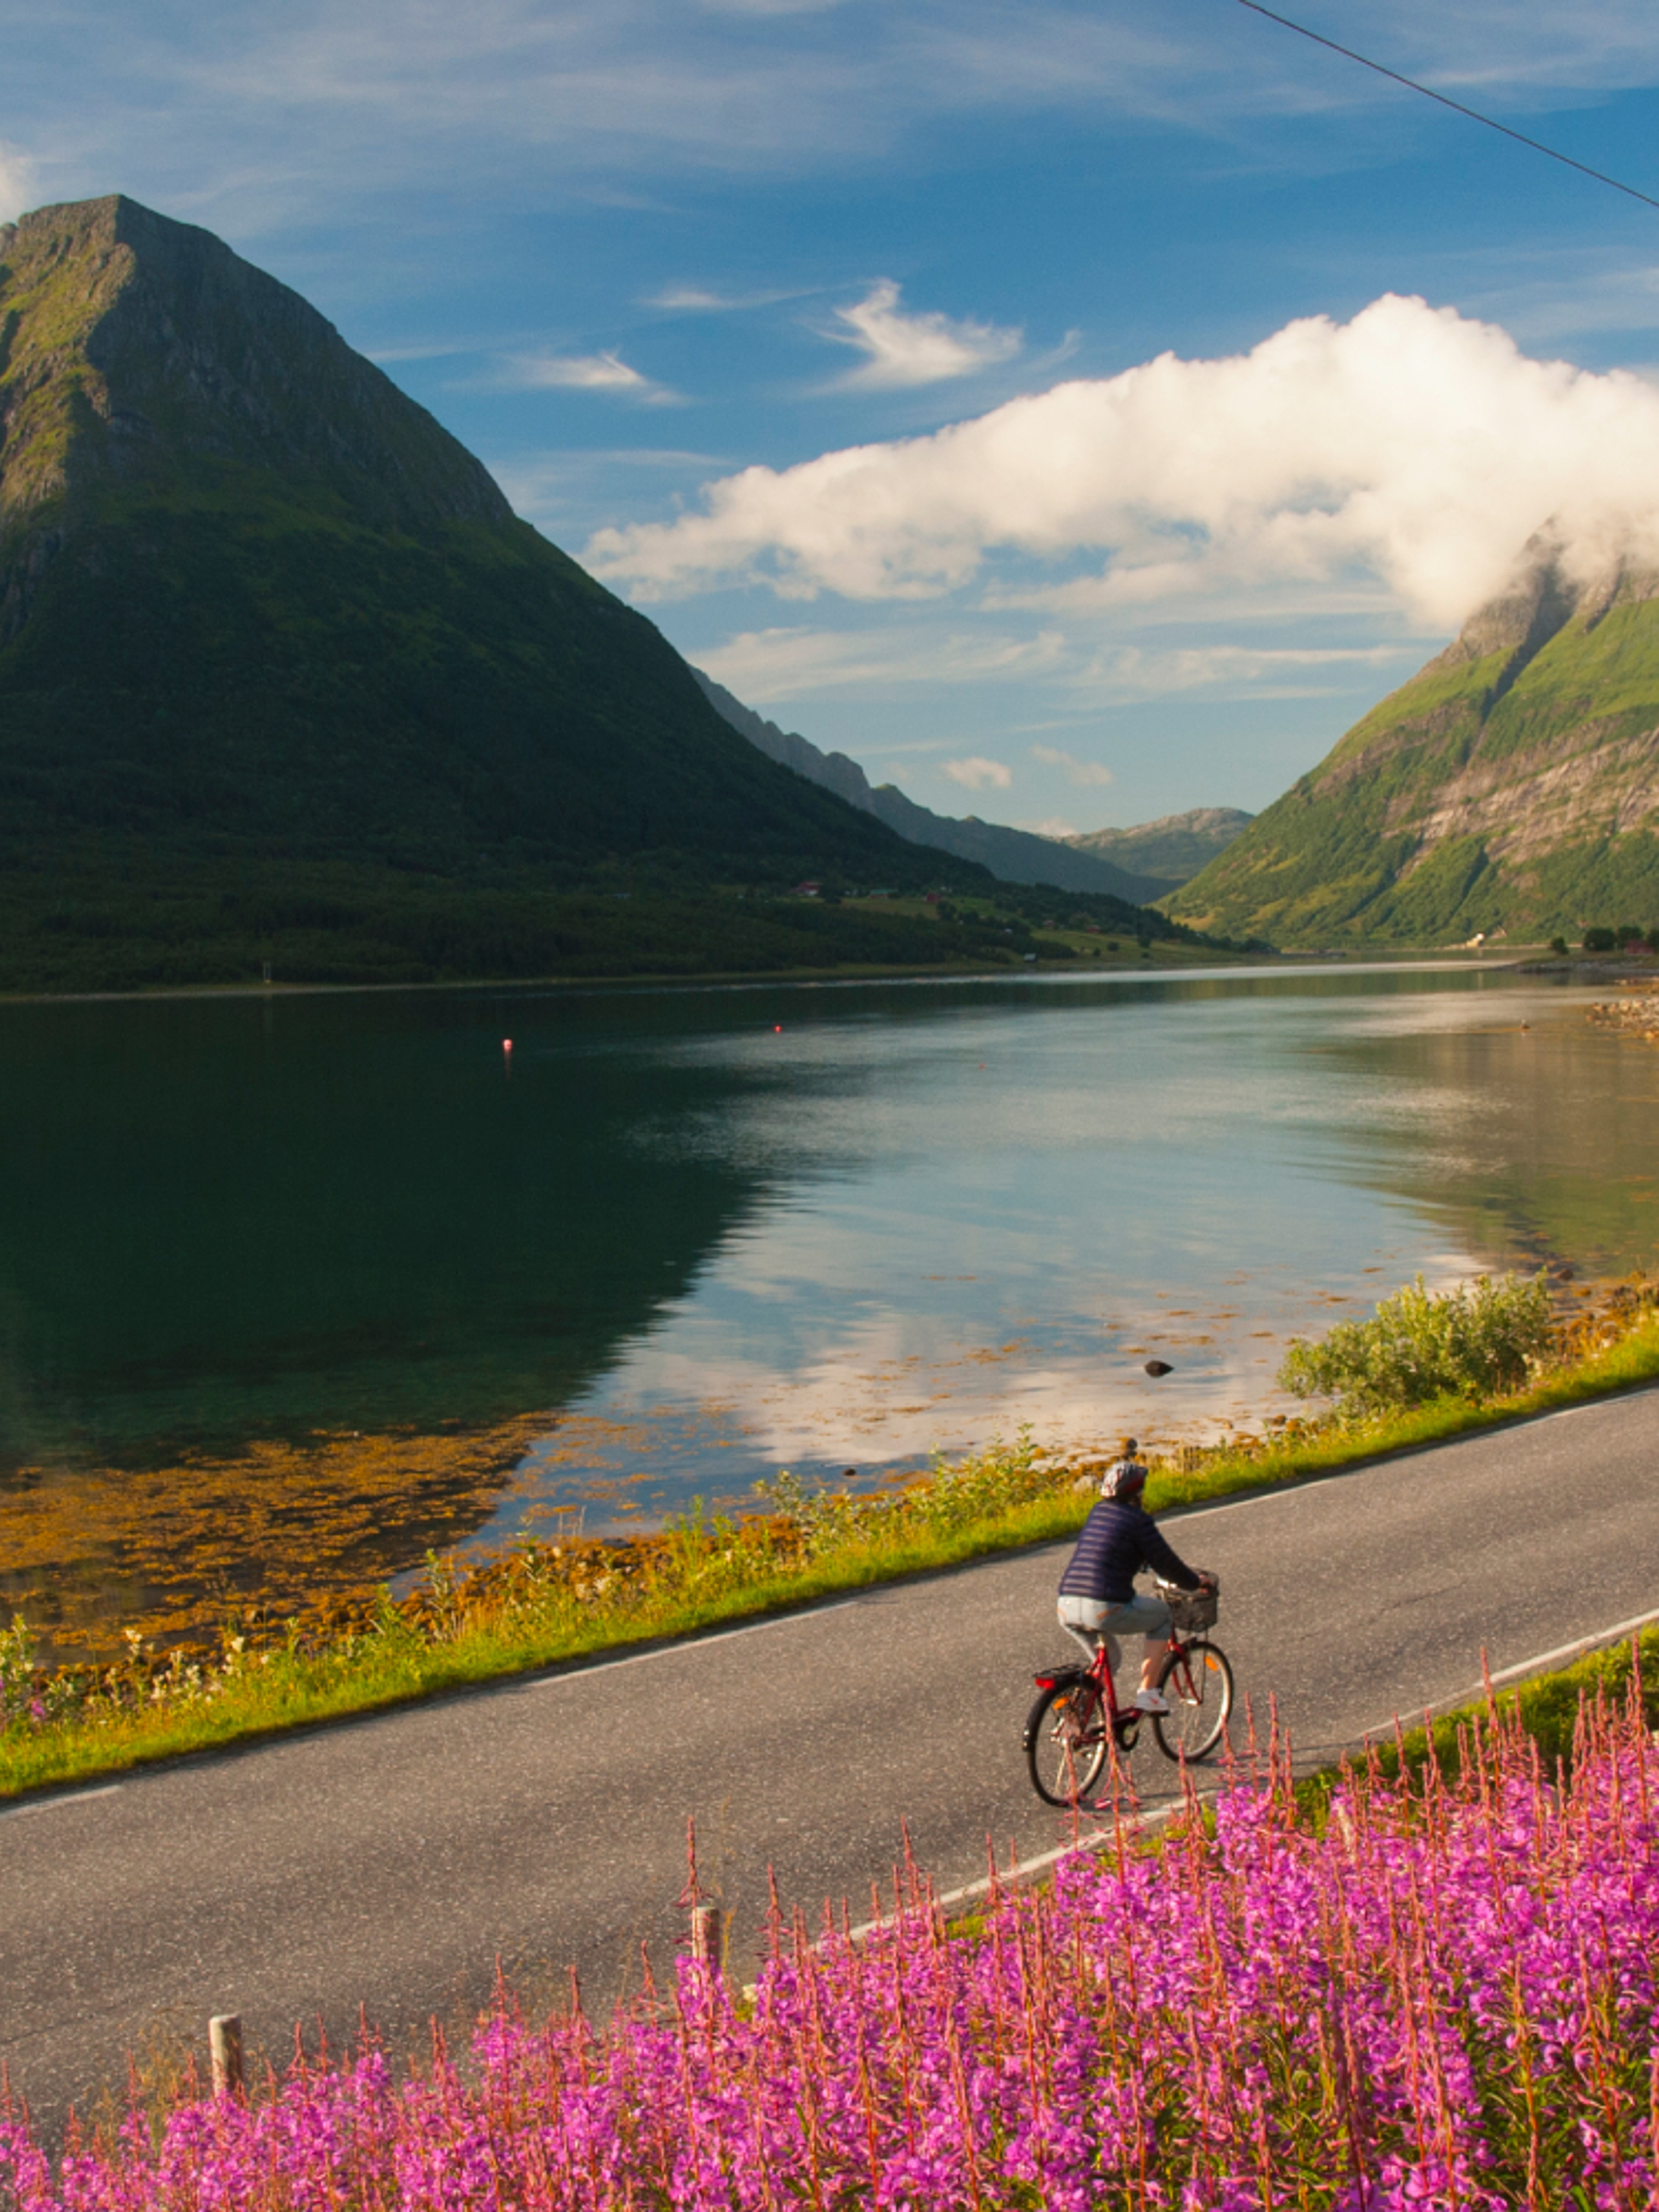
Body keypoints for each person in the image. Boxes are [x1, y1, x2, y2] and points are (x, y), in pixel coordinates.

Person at [1056, 1437, 1215, 1714]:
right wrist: (1195, 1582)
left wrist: (1140, 1564)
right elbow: (1167, 1563)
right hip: (1103, 1607)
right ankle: (1148, 1694)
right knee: (1163, 1615)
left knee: (1108, 1664)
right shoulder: (1138, 1520)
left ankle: (1077, 1719)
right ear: (1137, 1494)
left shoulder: (1097, 1513)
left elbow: (1112, 1551)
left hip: (1067, 1605)